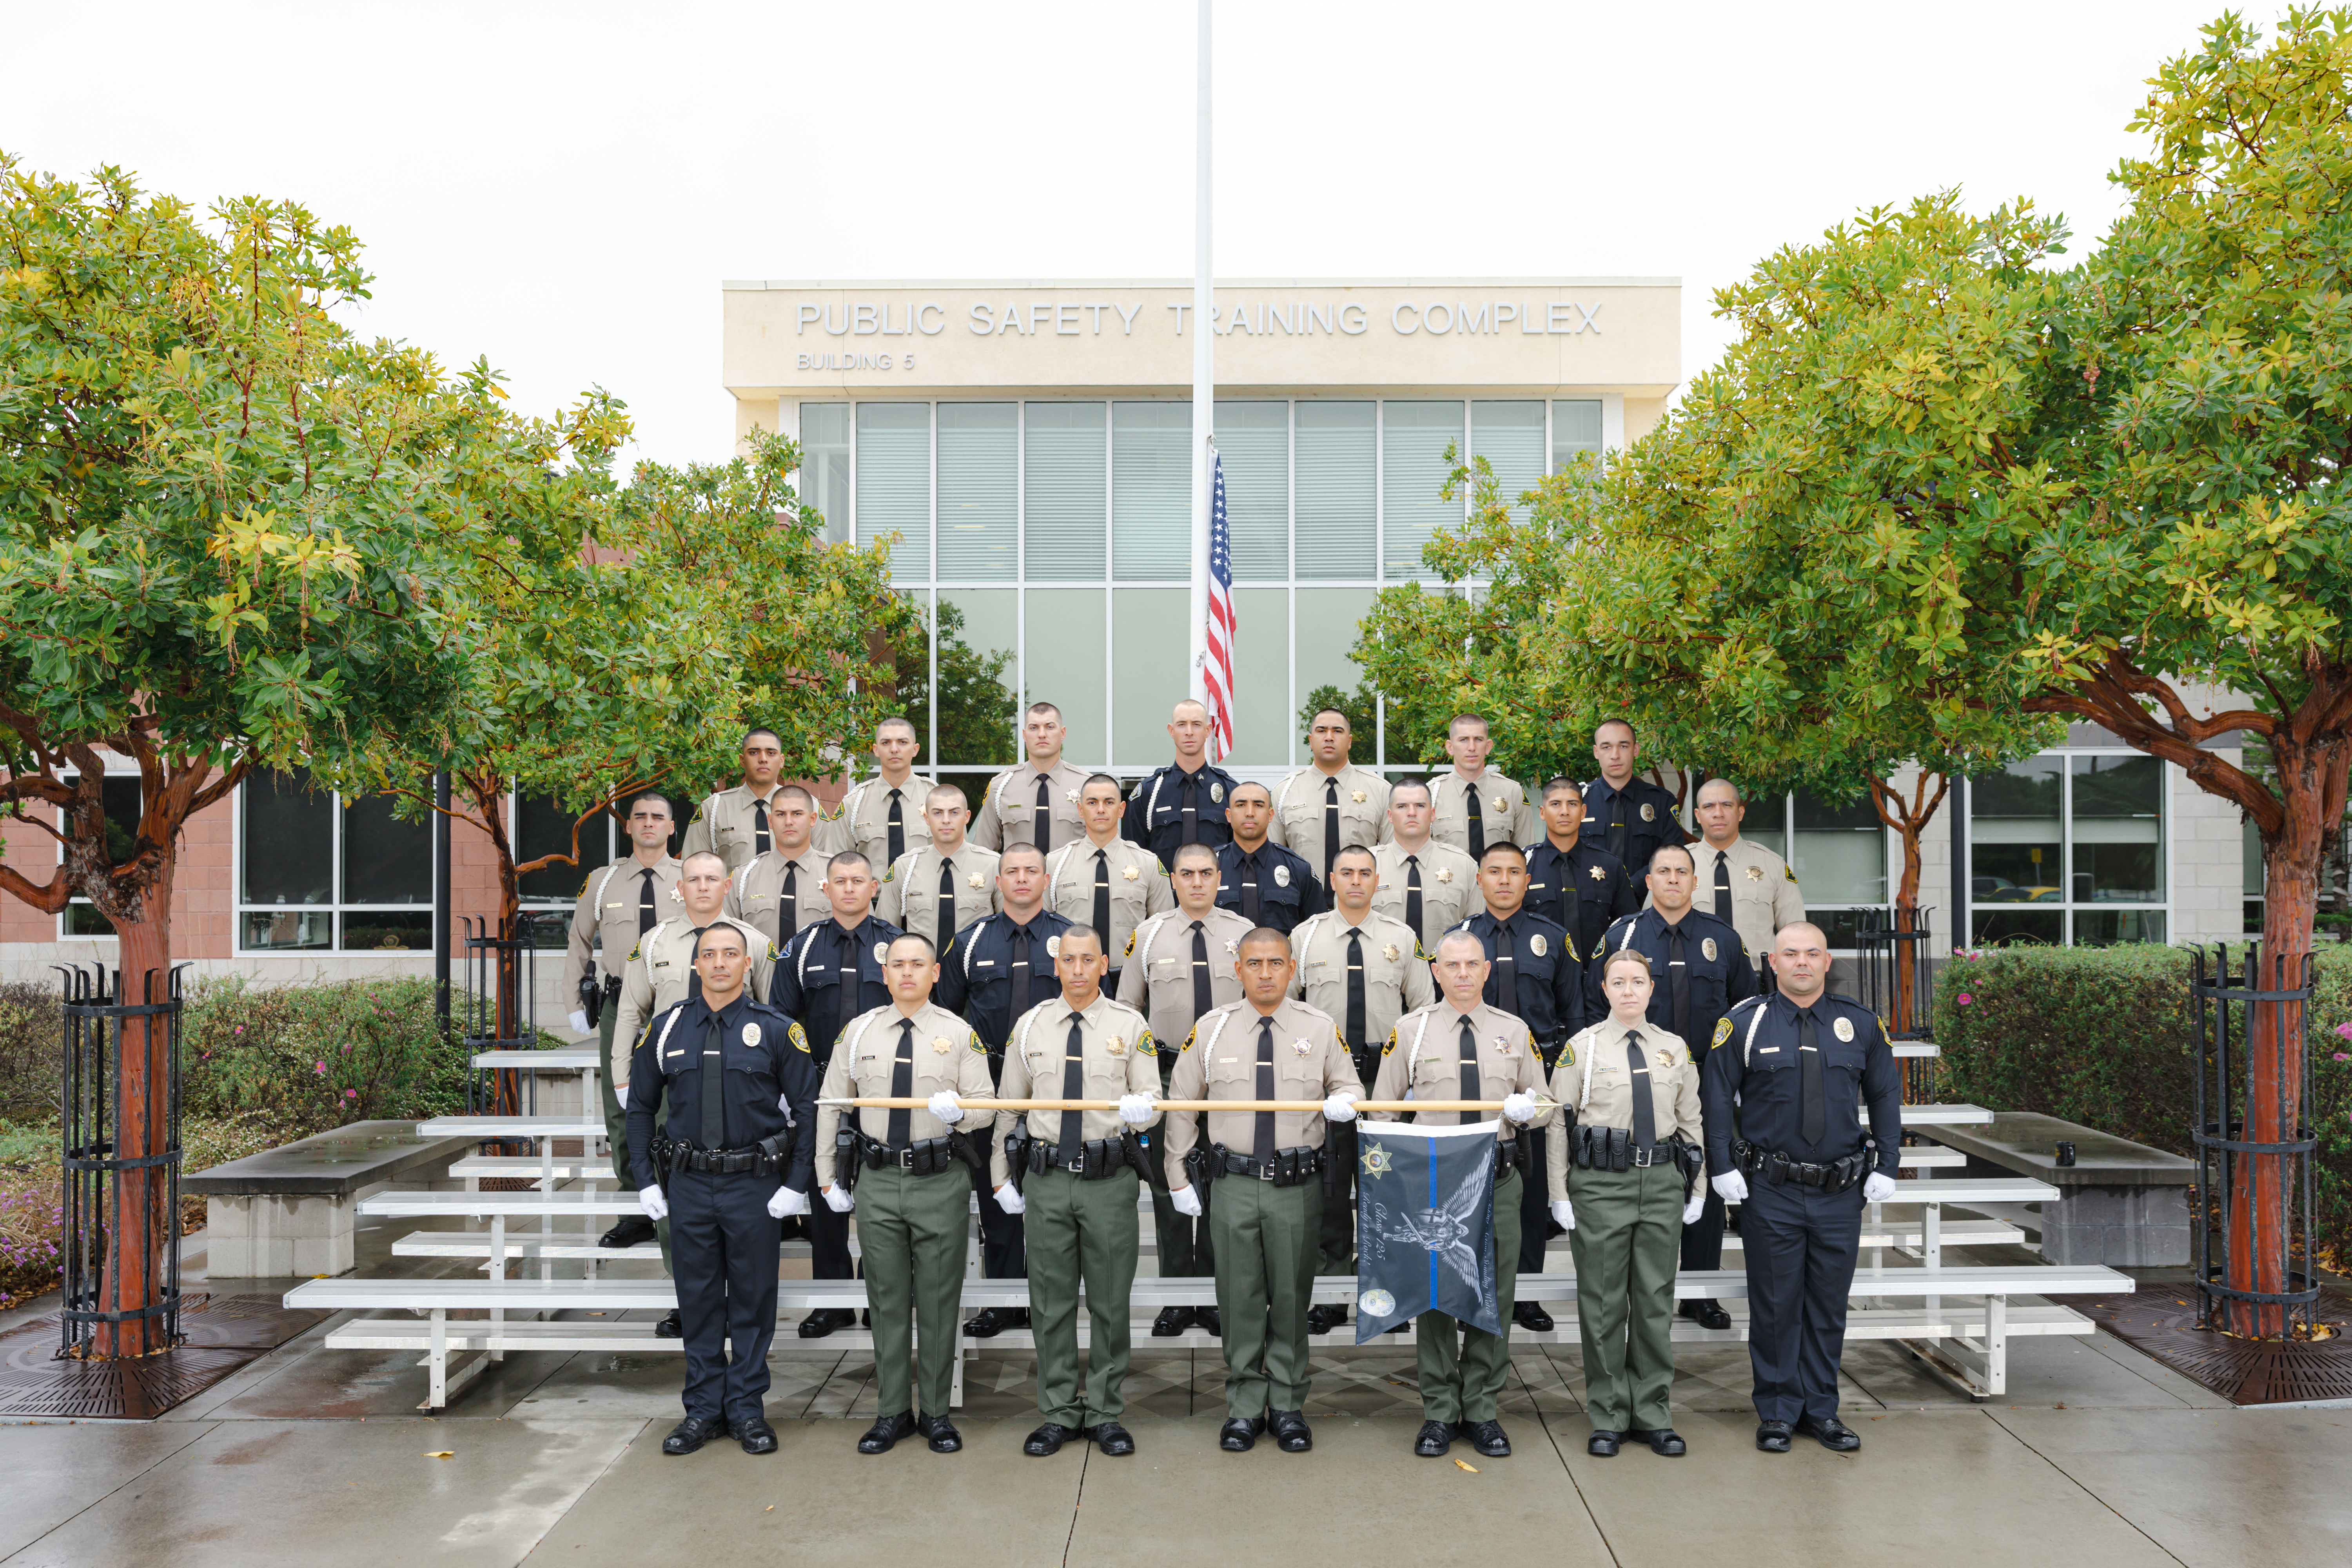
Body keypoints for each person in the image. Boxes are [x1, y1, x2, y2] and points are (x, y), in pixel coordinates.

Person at [1704, 922, 1901, 1455]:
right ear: (1772, 961)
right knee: (1775, 1304)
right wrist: (1721, 1165)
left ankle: (1822, 1410)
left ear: (1827, 961)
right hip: (1773, 1188)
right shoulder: (1743, 1024)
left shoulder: (1859, 1024)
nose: (1802, 963)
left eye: (1812, 954)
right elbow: (1718, 1098)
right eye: (1791, 954)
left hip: (1841, 1188)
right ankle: (1777, 1412)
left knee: (1827, 1305)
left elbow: (1885, 1094)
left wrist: (1889, 1161)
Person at [1161, 928, 1358, 1454]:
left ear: (1292, 970)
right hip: (1235, 1185)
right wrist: (1177, 1173)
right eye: (1255, 963)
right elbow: (1183, 1100)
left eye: (1276, 963)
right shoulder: (1212, 1029)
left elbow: (1349, 1085)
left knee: (1293, 1299)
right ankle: (1246, 1406)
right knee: (1240, 1298)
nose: (1266, 973)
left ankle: (1289, 1404)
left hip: (1298, 1186)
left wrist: (1345, 1101)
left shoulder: (1319, 1028)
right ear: (1238, 970)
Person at [626, 924, 818, 1457]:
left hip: (754, 1187)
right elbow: (640, 1107)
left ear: (747, 964)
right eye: (708, 955)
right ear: (695, 965)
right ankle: (704, 1411)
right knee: (699, 1301)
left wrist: (796, 1184)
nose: (719, 964)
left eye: (730, 954)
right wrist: (645, 1179)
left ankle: (748, 1410)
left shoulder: (778, 1029)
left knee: (755, 1301)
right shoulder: (666, 1029)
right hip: (687, 1185)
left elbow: (808, 1110)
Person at [1366, 929, 1551, 1460]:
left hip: (1499, 1179)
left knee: (1493, 1295)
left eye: (1473, 964)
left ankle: (1484, 1409)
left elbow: (1544, 1104)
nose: (1464, 973)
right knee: (1437, 1299)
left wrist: (1526, 1109)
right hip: (1433, 1186)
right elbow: (1383, 1110)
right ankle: (1440, 1411)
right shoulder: (1411, 1031)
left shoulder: (1514, 1032)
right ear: (1437, 971)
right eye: (1453, 965)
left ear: (1487, 971)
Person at [813, 932, 997, 1455]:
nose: (909, 973)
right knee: (887, 1301)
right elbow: (831, 1102)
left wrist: (960, 1112)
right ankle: (892, 1410)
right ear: (885, 974)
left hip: (939, 1179)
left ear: (936, 974)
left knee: (940, 1302)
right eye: (899, 965)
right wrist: (828, 1176)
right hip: (876, 1179)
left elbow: (989, 1105)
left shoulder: (960, 1033)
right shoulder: (859, 1031)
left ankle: (936, 1413)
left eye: (919, 964)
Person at [987, 926, 1160, 1459]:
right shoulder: (1031, 1025)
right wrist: (1000, 1174)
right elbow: (1008, 1106)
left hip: (1108, 1180)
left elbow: (1153, 1097)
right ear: (1056, 966)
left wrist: (1145, 1109)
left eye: (1089, 959)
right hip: (1046, 1180)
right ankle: (1059, 1410)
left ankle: (1106, 1410)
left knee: (1110, 1302)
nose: (1080, 969)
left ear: (1104, 963)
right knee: (1052, 1302)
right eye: (1070, 960)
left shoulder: (1130, 1025)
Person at [1590, 844, 1759, 1331]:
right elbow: (1591, 1000)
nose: (1672, 879)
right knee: (1640, 1178)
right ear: (1648, 879)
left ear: (1694, 880)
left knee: (1704, 1173)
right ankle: (1638, 1290)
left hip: (1706, 1078)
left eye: (1681, 871)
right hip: (1636, 1074)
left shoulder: (1722, 938)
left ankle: (1701, 1291)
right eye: (1662, 870)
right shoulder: (1623, 934)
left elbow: (1746, 1010)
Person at [608, 852, 776, 1333]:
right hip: (672, 1080)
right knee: (674, 1189)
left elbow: (774, 1011)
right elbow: (629, 1012)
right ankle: (690, 1299)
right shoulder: (654, 941)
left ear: (727, 886)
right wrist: (623, 1075)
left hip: (737, 1085)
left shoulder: (757, 943)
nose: (703, 887)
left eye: (712, 879)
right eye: (694, 880)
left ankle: (737, 1303)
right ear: (679, 888)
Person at [1551, 949, 1706, 1459]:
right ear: (1604, 989)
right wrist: (1559, 1193)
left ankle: (1653, 1413)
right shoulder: (1583, 1048)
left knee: (1655, 1301)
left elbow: (1691, 1123)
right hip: (1601, 1186)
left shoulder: (1674, 1049)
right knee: (1602, 1304)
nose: (1629, 991)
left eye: (1638, 981)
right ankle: (1609, 1414)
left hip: (1661, 1181)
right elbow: (1557, 1122)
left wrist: (1698, 1189)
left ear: (1651, 988)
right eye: (1619, 982)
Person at [1290, 844, 1432, 1331]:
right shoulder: (1305, 937)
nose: (1355, 881)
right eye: (1346, 872)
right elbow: (1286, 1012)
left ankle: (1386, 1295)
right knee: (1329, 1195)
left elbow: (1423, 1012)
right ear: (1332, 879)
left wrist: (1416, 1080)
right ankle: (1329, 1294)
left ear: (1378, 881)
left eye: (1365, 873)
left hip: (1383, 1082)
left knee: (1388, 1192)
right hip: (1325, 1085)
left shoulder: (1402, 937)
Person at [936, 843, 1073, 1337]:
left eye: (1030, 871)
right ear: (998, 880)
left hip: (1052, 1085)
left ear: (1045, 878)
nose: (1021, 879)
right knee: (996, 1197)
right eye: (1011, 871)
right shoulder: (971, 941)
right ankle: (1001, 1302)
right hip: (987, 1082)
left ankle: (1046, 1302)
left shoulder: (1068, 939)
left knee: (1047, 1194)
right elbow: (945, 1016)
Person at [1448, 840, 1583, 1331]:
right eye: (1494, 872)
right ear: (1479, 880)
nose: (1504, 880)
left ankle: (1524, 1294)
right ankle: (1471, 1292)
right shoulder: (1459, 941)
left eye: (1515, 872)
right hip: (1473, 1076)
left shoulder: (1553, 937)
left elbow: (1574, 1011)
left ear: (1528, 881)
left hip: (1534, 1080)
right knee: (1472, 1191)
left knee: (1528, 1195)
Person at [1116, 842, 1249, 1336]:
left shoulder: (1243, 934)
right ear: (1172, 878)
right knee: (1165, 1181)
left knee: (1220, 1179)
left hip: (1229, 1076)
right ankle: (1175, 1297)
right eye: (1187, 873)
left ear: (1219, 878)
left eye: (1205, 873)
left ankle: (1213, 1295)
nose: (1196, 882)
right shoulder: (1147, 935)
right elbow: (1127, 1010)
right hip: (1168, 1075)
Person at [771, 850, 904, 1338]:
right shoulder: (801, 947)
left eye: (858, 881)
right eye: (840, 881)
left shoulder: (896, 944)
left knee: (878, 1195)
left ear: (875, 888)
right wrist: (793, 1088)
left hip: (885, 1089)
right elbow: (783, 1021)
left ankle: (877, 1299)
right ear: (825, 890)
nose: (849, 889)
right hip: (820, 1088)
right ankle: (832, 1302)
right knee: (824, 1191)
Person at [561, 791, 678, 1245]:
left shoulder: (689, 878)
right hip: (618, 1006)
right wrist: (573, 1001)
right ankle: (636, 1207)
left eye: (658, 817)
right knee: (622, 1107)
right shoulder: (602, 881)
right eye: (640, 817)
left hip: (673, 1005)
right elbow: (579, 942)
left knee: (672, 1105)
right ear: (627, 827)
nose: (649, 823)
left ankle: (672, 1199)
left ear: (672, 827)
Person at [1048, 772, 1174, 991]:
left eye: (1109, 802)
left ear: (1122, 809)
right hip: (1071, 983)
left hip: (1129, 984)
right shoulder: (1056, 863)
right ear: (1080, 810)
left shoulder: (1148, 864)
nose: (1100, 810)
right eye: (1092, 803)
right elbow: (1044, 928)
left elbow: (1163, 931)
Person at [1688, 778, 1806, 969]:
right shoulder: (1675, 866)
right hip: (1694, 984)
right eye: (1709, 806)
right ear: (1698, 815)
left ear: (1741, 812)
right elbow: (1655, 928)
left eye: (1727, 805)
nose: (1718, 813)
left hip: (1758, 984)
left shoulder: (1772, 865)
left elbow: (1797, 934)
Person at [1266, 706, 1391, 884]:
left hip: (1361, 905)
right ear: (1311, 740)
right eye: (1322, 731)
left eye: (1337, 731)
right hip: (1301, 907)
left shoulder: (1380, 790)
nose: (1329, 737)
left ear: (1349, 741)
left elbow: (1390, 858)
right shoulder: (1285, 791)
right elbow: (1273, 858)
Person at [1524, 776, 1638, 960]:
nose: (1564, 812)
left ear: (1583, 811)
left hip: (1597, 980)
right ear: (1542, 813)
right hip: (1541, 980)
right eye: (1555, 804)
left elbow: (1629, 930)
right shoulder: (1524, 866)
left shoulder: (1611, 865)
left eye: (1572, 804)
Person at [880, 783, 1001, 951]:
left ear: (967, 817)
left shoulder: (993, 865)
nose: (946, 820)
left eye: (954, 812)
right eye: (938, 813)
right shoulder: (904, 867)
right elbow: (885, 932)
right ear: (927, 818)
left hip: (976, 973)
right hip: (921, 972)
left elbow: (1008, 927)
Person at [1123, 699, 1240, 863]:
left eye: (1197, 725)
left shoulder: (1230, 791)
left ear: (1208, 731)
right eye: (1182, 725)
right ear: (1172, 731)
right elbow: (1133, 858)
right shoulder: (1149, 792)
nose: (1189, 732)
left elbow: (1239, 854)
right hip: (1164, 889)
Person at [1370, 779, 1480, 951]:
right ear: (1390, 816)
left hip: (1445, 974)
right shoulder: (1366, 866)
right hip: (1385, 974)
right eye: (1402, 807)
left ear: (1433, 814)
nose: (1412, 813)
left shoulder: (1464, 867)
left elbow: (1477, 933)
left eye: (1420, 806)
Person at [969, 701, 1091, 854]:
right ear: (1025, 735)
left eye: (1050, 727)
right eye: (1034, 728)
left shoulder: (1086, 785)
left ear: (1063, 733)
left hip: (1070, 878)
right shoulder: (1001, 787)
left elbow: (1102, 847)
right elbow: (983, 851)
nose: (1042, 734)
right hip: (1019, 878)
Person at [1581, 719, 1687, 889]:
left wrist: (1630, 887)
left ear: (1636, 749)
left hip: (1646, 903)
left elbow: (1672, 856)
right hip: (1589, 902)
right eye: (1606, 747)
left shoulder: (1662, 802)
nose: (1615, 755)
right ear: (1596, 752)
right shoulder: (1578, 801)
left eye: (1623, 746)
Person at [724, 784, 831, 949]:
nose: (789, 822)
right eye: (781, 814)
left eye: (797, 814)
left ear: (813, 819)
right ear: (770, 821)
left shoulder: (837, 874)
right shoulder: (743, 878)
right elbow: (725, 939)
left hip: (820, 974)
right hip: (763, 974)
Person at [818, 715, 934, 865]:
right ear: (876, 750)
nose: (894, 749)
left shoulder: (936, 799)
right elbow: (837, 866)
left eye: (903, 742)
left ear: (915, 749)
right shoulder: (853, 805)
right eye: (886, 743)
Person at [1214, 781, 1322, 935]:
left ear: (1270, 815)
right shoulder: (1208, 868)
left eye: (1258, 805)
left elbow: (1315, 933)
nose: (1250, 813)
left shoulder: (1299, 870)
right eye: (1241, 805)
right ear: (1229, 815)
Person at [681, 728, 790, 875]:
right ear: (742, 760)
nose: (763, 759)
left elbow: (825, 869)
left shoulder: (808, 807)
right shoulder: (713, 808)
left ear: (782, 760)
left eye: (771, 753)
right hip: (733, 898)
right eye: (754, 752)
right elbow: (693, 871)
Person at [1427, 713, 1531, 858]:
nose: (1472, 747)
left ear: (1488, 746)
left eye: (1478, 739)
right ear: (1450, 748)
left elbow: (1526, 855)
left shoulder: (1512, 792)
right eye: (1464, 740)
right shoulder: (1431, 795)